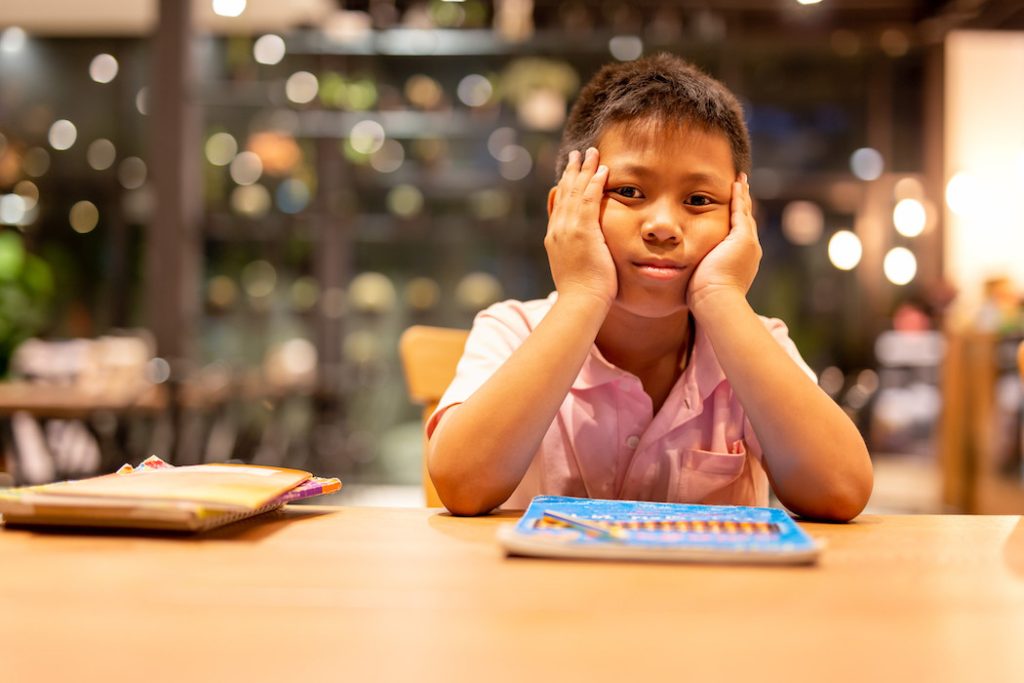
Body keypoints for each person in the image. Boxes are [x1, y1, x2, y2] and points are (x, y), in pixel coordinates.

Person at [426, 53, 873, 521]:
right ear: (566, 208)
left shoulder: (753, 344)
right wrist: (583, 293)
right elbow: (461, 484)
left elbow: (841, 491)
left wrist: (720, 296)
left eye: (699, 200)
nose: (663, 226)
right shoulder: (512, 329)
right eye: (631, 193)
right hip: (546, 595)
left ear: (739, 220)